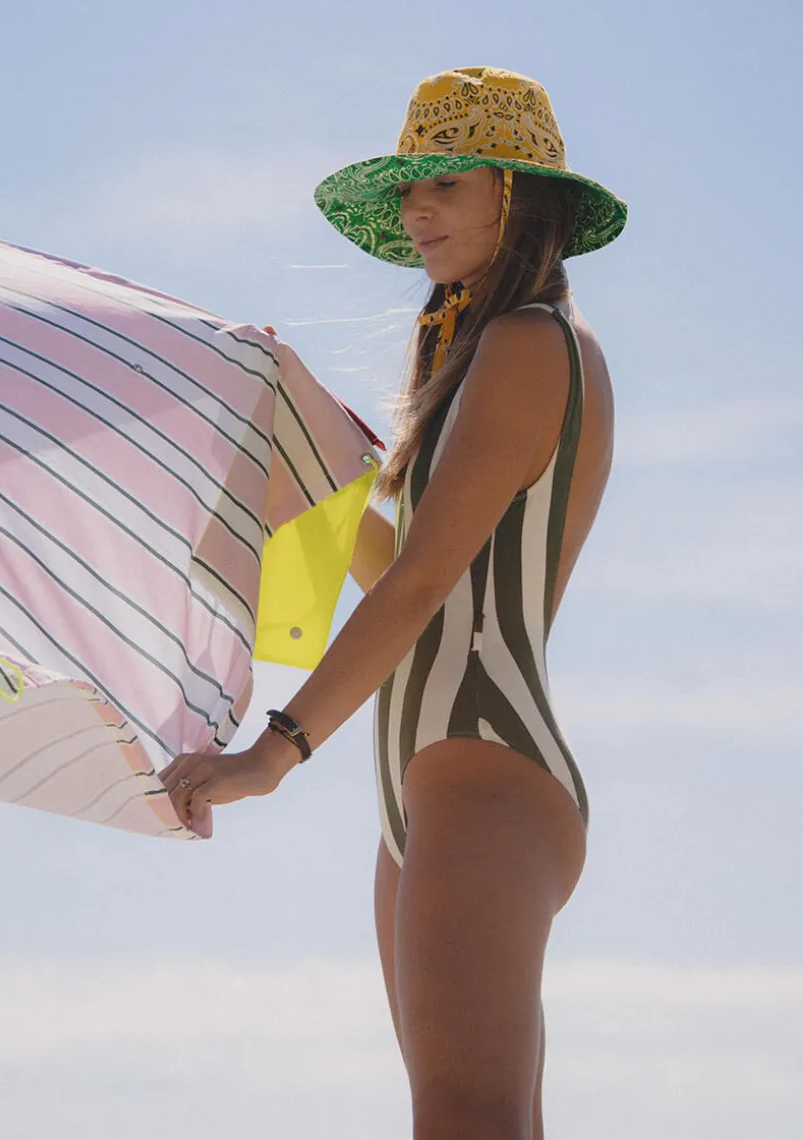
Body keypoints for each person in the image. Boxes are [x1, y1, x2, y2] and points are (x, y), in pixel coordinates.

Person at [159, 67, 628, 1139]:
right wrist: (291, 440)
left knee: (464, 1120)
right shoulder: (476, 353)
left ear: (518, 195)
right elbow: (405, 569)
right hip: (429, 792)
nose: (416, 210)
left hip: (484, 770)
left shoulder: (529, 343)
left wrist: (273, 752)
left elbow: (420, 589)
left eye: (445, 184)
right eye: (408, 188)